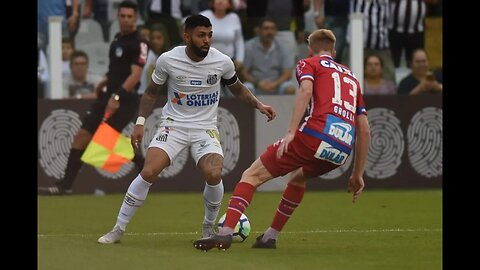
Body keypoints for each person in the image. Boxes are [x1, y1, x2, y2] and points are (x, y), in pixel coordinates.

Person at [96, 14, 276, 244]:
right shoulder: (168, 60)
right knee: (149, 171)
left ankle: (208, 227)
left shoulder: (222, 61)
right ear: (187, 35)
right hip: (174, 125)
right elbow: (151, 92)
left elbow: (238, 88)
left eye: (209, 35)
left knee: (213, 173)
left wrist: (259, 105)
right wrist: (140, 122)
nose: (207, 40)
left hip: (205, 128)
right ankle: (118, 229)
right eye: (201, 35)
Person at [192, 28, 371, 251]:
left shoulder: (309, 63)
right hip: (342, 147)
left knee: (252, 175)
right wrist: (357, 174)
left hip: (314, 135)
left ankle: (225, 233)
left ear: (310, 49)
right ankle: (270, 237)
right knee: (297, 179)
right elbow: (364, 129)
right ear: (333, 51)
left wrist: (290, 132)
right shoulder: (352, 77)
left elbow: (305, 91)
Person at [38, 0, 149, 195]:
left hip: (125, 99)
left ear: (136, 18)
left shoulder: (139, 43)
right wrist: (102, 83)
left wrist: (116, 97)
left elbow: (135, 75)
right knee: (82, 135)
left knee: (106, 140)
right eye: (122, 16)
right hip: (107, 95)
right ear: (118, 17)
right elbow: (114, 70)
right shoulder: (116, 39)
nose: (125, 20)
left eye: (129, 17)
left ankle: (143, 165)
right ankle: (65, 185)